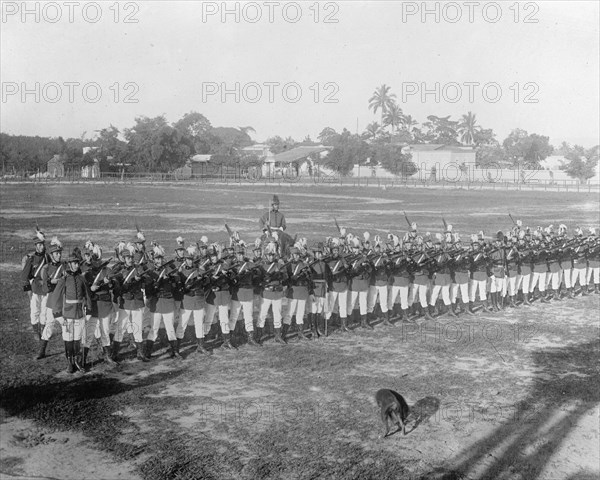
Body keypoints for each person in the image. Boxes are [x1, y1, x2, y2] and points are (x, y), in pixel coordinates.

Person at [48, 252, 92, 374]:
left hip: (79, 313)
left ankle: (78, 361)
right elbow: (55, 297)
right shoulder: (64, 279)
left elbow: (88, 295)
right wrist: (58, 315)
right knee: (68, 338)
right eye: (74, 263)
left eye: (78, 263)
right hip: (67, 314)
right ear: (69, 264)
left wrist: (88, 310)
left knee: (77, 338)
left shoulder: (82, 278)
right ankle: (70, 363)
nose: (77, 265)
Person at [22, 228, 49, 339]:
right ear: (36, 246)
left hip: (45, 288)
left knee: (45, 310)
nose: (41, 247)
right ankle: (35, 331)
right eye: (39, 245)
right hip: (34, 288)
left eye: (42, 244)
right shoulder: (31, 259)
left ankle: (42, 330)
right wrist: (28, 290)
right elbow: (24, 276)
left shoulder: (48, 258)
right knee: (34, 310)